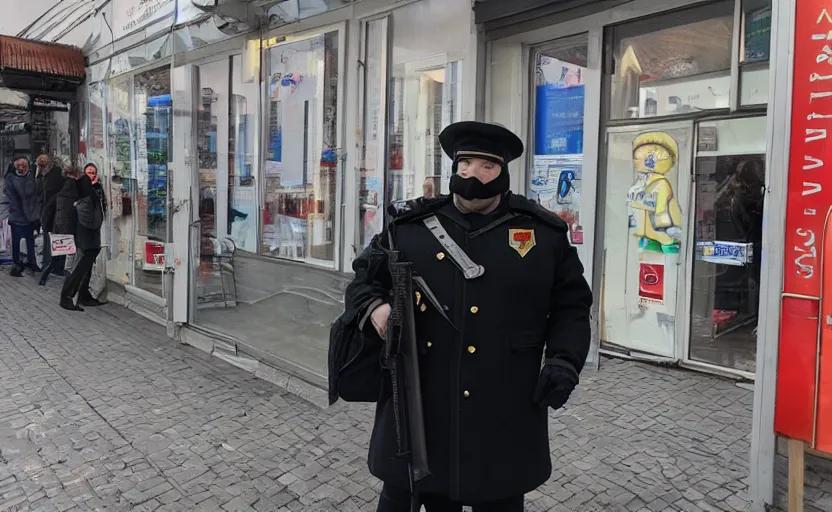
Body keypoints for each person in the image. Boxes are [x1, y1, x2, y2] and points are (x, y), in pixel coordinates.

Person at [336, 121, 593, 511]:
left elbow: (572, 305)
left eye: (487, 166)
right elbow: (362, 282)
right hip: (420, 398)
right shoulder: (409, 228)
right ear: (454, 169)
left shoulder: (542, 233)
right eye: (466, 164)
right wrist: (377, 308)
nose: (474, 174)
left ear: (503, 172)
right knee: (406, 495)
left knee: (499, 499)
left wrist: (564, 360)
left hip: (504, 401)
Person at [58, 167, 105, 311]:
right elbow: (86, 216)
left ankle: (83, 295)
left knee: (83, 267)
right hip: (84, 236)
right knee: (78, 267)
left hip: (84, 236)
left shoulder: (73, 188)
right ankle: (67, 296)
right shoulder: (75, 189)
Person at [4, 156, 42, 276]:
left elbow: (35, 196)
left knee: (30, 240)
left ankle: (32, 262)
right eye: (19, 166)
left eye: (24, 165)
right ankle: (16, 264)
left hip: (30, 216)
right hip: (17, 216)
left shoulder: (32, 178)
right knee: (16, 241)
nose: (22, 168)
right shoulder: (10, 179)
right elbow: (9, 197)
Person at [37, 155, 66, 284]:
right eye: (40, 166)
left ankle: (56, 267)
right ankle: (54, 266)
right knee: (53, 240)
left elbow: (50, 198)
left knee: (57, 240)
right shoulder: (46, 177)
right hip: (50, 213)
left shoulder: (54, 177)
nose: (41, 168)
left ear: (48, 164)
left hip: (55, 213)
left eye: (42, 166)